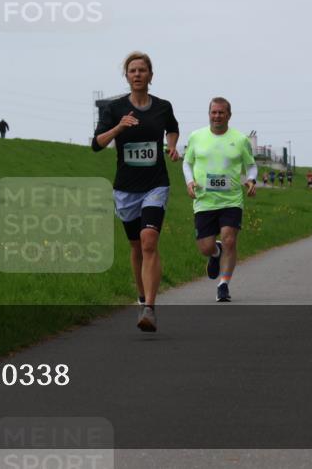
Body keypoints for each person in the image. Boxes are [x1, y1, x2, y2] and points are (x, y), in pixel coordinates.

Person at [92, 51, 179, 331]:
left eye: (143, 70)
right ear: (127, 76)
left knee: (149, 240)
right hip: (126, 188)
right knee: (135, 246)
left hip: (155, 183)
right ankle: (141, 297)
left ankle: (150, 308)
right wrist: (119, 126)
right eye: (133, 71)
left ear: (151, 76)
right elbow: (96, 144)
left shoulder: (163, 107)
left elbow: (173, 128)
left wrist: (172, 145)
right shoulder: (114, 109)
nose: (138, 74)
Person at [183, 97, 258, 302]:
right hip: (204, 200)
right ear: (209, 114)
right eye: (213, 112)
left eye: (221, 113)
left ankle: (223, 284)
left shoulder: (240, 139)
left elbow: (251, 165)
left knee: (230, 238)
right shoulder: (197, 137)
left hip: (231, 199)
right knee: (205, 247)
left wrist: (251, 179)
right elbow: (187, 163)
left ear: (229, 115)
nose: (217, 116)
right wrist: (190, 182)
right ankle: (215, 253)